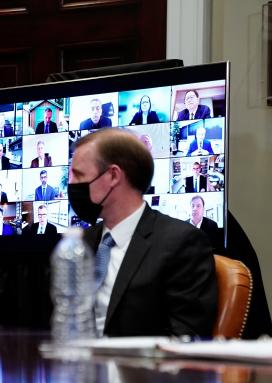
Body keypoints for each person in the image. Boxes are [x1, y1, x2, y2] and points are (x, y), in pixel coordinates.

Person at [68, 128, 216, 337]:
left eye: (78, 175)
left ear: (113, 176)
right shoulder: (80, 244)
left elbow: (185, 339)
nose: (71, 184)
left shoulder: (182, 243)